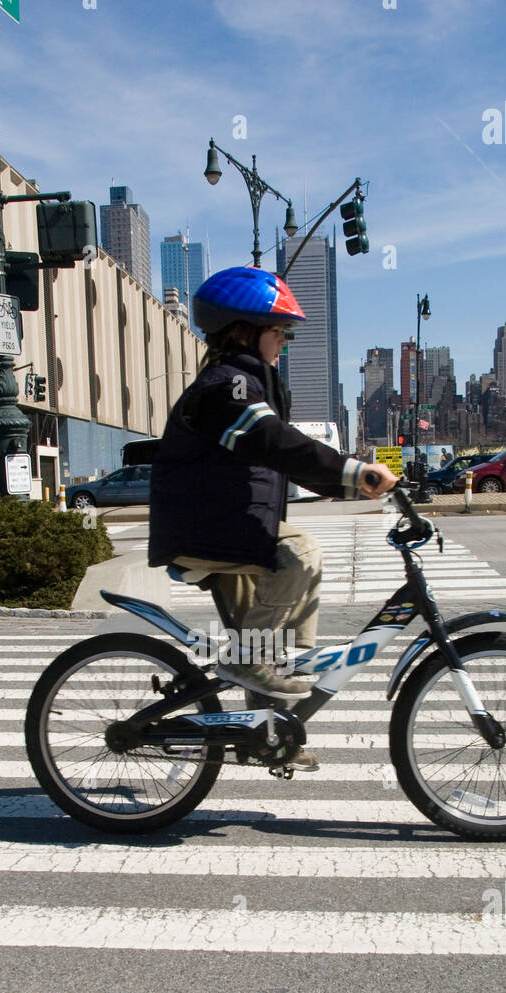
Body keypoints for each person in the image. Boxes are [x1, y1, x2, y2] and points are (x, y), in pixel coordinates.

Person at [148, 266, 398, 766]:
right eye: (278, 331)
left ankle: (270, 731)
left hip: (228, 526)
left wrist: (349, 485)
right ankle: (251, 665)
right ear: (244, 330)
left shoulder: (244, 383)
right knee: (299, 552)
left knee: (267, 639)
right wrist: (354, 471)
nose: (283, 341)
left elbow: (285, 462)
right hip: (208, 528)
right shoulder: (227, 387)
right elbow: (273, 442)